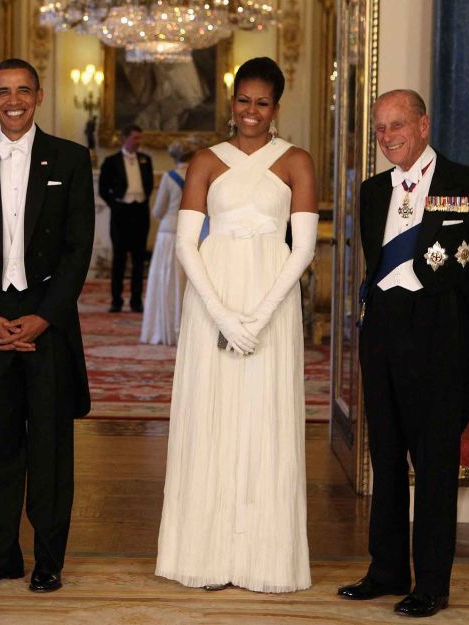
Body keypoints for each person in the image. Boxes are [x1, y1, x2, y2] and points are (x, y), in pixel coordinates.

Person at [335, 89, 469, 617]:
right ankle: (387, 570)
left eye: (397, 125)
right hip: (383, 333)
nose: (387, 137)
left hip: (440, 337)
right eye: (380, 129)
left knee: (434, 465)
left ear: (424, 124)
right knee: (385, 458)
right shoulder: (370, 192)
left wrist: (460, 329)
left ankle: (431, 584)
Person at [154, 57, 318, 593]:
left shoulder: (296, 161)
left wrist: (260, 317)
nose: (252, 111)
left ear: (277, 106)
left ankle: (263, 559)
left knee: (263, 417)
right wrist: (224, 316)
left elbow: (303, 249)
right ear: (232, 102)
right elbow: (184, 245)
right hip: (213, 299)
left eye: (263, 102)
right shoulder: (206, 161)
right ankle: (203, 552)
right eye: (244, 100)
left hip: (272, 302)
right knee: (212, 414)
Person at [0, 58, 94, 594]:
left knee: (51, 448)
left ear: (39, 96)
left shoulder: (72, 160)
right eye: (3, 91)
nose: (14, 100)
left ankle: (48, 561)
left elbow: (80, 249)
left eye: (23, 90)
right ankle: (1, 555)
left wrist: (43, 317)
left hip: (48, 323)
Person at [139, 137, 203, 345]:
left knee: (167, 281)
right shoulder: (200, 175)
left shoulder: (168, 177)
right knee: (191, 281)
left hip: (169, 232)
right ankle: (190, 329)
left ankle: (165, 329)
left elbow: (158, 210)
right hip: (195, 231)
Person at [99, 124, 154, 312]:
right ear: (125, 139)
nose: (139, 142)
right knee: (119, 259)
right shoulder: (111, 161)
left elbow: (149, 184)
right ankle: (116, 301)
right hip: (121, 213)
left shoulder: (146, 159)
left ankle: (136, 301)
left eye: (140, 138)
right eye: (135, 138)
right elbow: (103, 189)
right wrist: (116, 204)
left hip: (140, 212)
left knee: (139, 259)